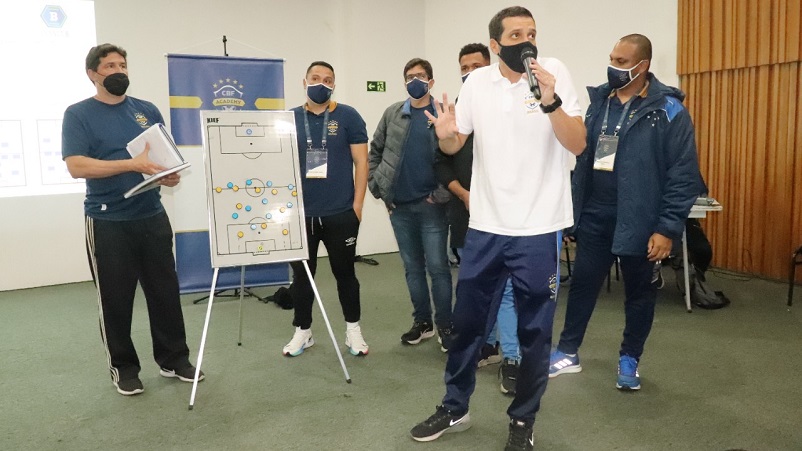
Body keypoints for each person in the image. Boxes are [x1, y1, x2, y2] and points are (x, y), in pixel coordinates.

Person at [410, 7, 586, 450]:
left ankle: (523, 420)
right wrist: (445, 134)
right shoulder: (477, 83)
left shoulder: (554, 73)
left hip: (538, 227)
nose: (526, 41)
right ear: (495, 44)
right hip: (487, 226)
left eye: (532, 33)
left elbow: (578, 143)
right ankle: (455, 406)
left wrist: (550, 101)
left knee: (534, 334)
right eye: (515, 34)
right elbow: (456, 142)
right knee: (468, 325)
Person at [549, 34, 702, 391]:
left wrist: (667, 228)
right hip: (596, 215)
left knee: (639, 294)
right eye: (612, 59)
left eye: (621, 62)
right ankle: (567, 352)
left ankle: (630, 358)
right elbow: (583, 161)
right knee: (583, 286)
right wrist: (573, 215)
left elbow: (683, 175)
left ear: (642, 65)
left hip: (641, 219)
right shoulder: (598, 104)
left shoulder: (669, 111)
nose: (613, 67)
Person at [61, 44, 203, 396]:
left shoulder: (146, 110)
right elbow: (76, 166)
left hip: (151, 215)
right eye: (109, 65)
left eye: (122, 64)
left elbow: (165, 160)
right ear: (93, 74)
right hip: (107, 220)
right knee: (116, 299)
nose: (118, 71)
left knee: (165, 293)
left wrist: (170, 175)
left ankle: (174, 359)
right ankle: (124, 368)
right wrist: (131, 164)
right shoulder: (78, 114)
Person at [433, 43, 522, 395]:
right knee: (477, 289)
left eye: (476, 66)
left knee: (507, 290)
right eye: (463, 67)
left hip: (507, 217)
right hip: (467, 216)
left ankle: (512, 358)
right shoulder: (455, 111)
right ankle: (486, 345)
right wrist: (464, 194)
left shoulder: (510, 106)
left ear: (490, 67)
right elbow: (441, 162)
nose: (469, 72)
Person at [282, 61, 370, 357]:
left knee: (345, 274)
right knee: (302, 276)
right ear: (304, 81)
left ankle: (353, 331)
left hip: (340, 212)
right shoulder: (289, 119)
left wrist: (357, 206)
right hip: (300, 215)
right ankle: (302, 331)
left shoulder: (348, 116)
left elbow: (362, 162)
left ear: (334, 84)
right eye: (316, 78)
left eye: (328, 79)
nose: (322, 83)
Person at [369, 58, 454, 351]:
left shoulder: (441, 113)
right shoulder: (393, 113)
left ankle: (445, 325)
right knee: (412, 269)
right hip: (400, 208)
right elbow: (375, 151)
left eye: (420, 76)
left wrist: (441, 195)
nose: (414, 80)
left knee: (439, 268)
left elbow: (453, 156)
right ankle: (423, 323)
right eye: (409, 76)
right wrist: (379, 189)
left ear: (431, 81)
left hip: (432, 208)